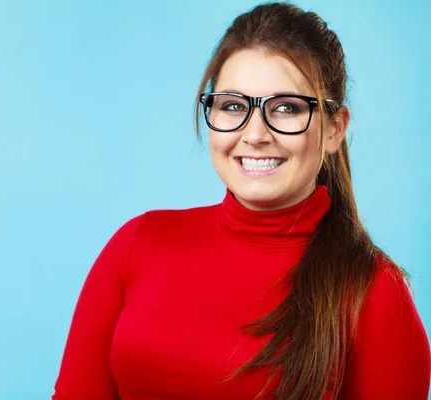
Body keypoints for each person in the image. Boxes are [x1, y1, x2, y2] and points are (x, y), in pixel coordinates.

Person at [51, 2, 431, 399]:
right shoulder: (136, 244)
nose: (255, 134)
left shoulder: (375, 293)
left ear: (335, 129)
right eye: (233, 105)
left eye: (285, 108)